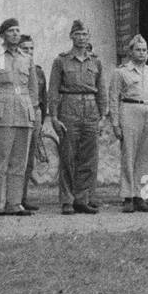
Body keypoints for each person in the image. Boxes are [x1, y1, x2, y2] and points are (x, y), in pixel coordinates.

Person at [0, 18, 40, 217]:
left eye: (17, 30)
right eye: (11, 31)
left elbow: (33, 88)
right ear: (3, 34)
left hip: (23, 110)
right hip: (2, 109)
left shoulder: (26, 57)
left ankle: (14, 204)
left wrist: (32, 110)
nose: (15, 34)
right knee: (1, 161)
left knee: (19, 162)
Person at [49, 19, 107, 214]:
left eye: (85, 34)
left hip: (90, 109)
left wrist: (103, 116)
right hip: (69, 108)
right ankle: (67, 199)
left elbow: (102, 91)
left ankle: (81, 199)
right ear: (71, 36)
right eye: (78, 34)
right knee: (68, 156)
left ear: (89, 37)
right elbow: (53, 91)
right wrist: (54, 117)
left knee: (88, 158)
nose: (82, 38)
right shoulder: (61, 61)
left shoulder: (96, 61)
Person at [110, 35, 148, 213]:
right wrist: (115, 123)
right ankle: (128, 197)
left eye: (144, 50)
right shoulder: (121, 72)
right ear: (130, 52)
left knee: (147, 158)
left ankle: (145, 197)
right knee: (129, 156)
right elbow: (113, 99)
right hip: (130, 110)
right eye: (138, 50)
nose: (142, 53)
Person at [18, 35, 47, 212]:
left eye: (31, 49)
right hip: (18, 113)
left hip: (34, 114)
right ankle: (11, 198)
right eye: (24, 49)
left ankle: (23, 197)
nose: (29, 52)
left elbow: (43, 98)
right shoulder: (15, 68)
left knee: (29, 160)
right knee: (16, 159)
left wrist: (41, 119)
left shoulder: (38, 71)